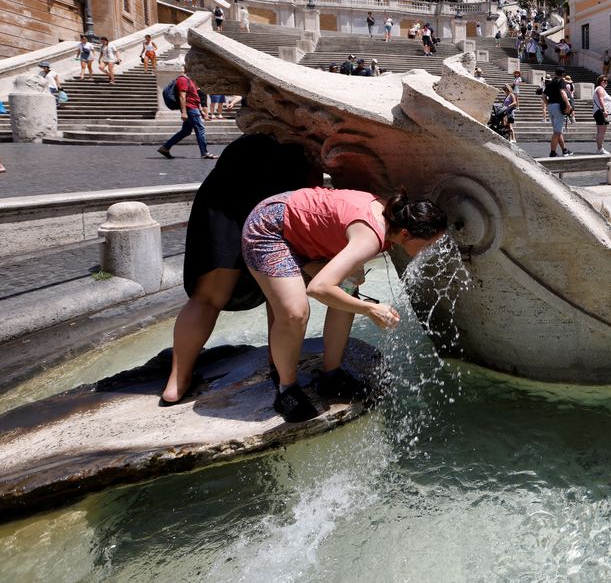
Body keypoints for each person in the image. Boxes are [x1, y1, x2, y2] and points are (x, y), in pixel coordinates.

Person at [243, 188, 448, 421]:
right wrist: (371, 309)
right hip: (269, 228)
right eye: (429, 244)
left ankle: (330, 376)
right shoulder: (372, 237)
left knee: (349, 287)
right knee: (295, 312)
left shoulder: (394, 215)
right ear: (406, 234)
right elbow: (319, 288)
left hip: (300, 232)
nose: (431, 250)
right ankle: (287, 390)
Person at [160, 134, 321, 405]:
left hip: (227, 185)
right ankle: (280, 368)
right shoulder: (305, 137)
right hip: (280, 192)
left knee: (208, 297)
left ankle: (177, 381)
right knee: (281, 292)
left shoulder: (260, 127)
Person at [158, 67, 216, 160]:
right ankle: (204, 153)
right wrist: (184, 112)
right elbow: (182, 96)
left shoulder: (190, 81)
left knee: (186, 131)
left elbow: (194, 97)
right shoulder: (183, 80)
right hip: (190, 109)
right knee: (200, 129)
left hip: (193, 108)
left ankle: (165, 147)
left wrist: (201, 111)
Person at [544, 67, 574, 157]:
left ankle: (564, 150)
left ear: (555, 73)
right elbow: (562, 92)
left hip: (550, 106)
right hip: (557, 107)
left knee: (558, 130)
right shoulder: (561, 81)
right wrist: (568, 105)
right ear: (563, 74)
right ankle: (552, 152)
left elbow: (543, 96)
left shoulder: (550, 83)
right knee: (557, 132)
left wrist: (548, 104)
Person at [592, 75, 611, 154]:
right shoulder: (600, 88)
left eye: (607, 80)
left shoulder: (602, 89)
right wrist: (604, 110)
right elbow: (601, 99)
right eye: (604, 80)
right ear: (599, 81)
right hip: (601, 112)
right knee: (601, 131)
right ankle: (600, 148)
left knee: (601, 131)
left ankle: (600, 148)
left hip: (600, 111)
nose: (606, 82)